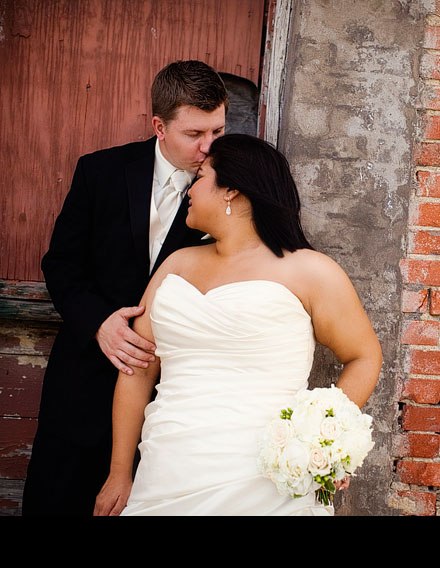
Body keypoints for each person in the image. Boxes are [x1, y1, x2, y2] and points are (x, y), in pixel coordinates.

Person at [93, 134, 382, 516]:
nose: (190, 190)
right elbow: (138, 370)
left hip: (263, 481)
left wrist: (322, 439)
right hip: (166, 469)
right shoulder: (175, 265)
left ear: (231, 189)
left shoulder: (311, 271)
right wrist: (119, 472)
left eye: (200, 177)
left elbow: (364, 356)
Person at [22, 60, 228, 516]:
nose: (209, 146)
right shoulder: (100, 171)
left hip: (171, 398)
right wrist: (100, 323)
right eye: (195, 133)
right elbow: (61, 264)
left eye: (218, 131)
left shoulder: (231, 188)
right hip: (83, 380)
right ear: (159, 126)